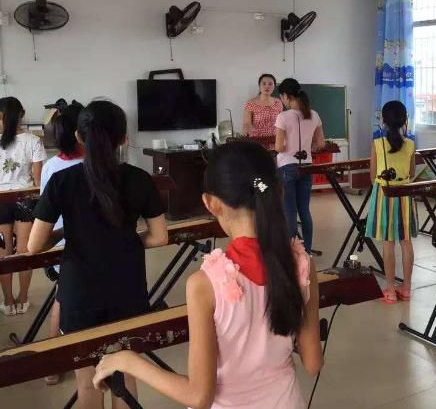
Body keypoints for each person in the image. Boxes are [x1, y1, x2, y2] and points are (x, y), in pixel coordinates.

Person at [91, 141, 322, 409]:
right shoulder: (302, 264)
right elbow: (313, 362)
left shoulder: (205, 284)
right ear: (278, 192)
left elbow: (199, 396)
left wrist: (129, 361)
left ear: (210, 203)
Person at [28, 100, 168, 409]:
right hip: (128, 289)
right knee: (126, 379)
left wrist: (69, 232)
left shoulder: (62, 180)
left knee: (88, 385)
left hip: (80, 294)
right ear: (124, 138)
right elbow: (159, 236)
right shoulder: (139, 178)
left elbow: (34, 245)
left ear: (79, 137)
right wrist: (123, 241)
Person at [40, 101, 84, 385]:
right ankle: (54, 363)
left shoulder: (50, 167)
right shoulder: (90, 165)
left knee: (63, 297)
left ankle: (53, 365)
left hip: (60, 245)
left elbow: (44, 212)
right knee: (62, 299)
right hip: (73, 249)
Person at [365, 101, 417, 304]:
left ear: (383, 121)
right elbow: (412, 173)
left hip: (384, 192)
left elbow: (372, 175)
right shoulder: (411, 144)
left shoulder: (377, 143)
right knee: (406, 241)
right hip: (405, 192)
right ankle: (407, 288)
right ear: (405, 120)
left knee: (388, 242)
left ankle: (390, 289)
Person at [0, 97, 47, 316]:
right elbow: (37, 181)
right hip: (25, 201)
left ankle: (8, 300)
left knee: (4, 254)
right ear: (22, 115)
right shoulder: (34, 141)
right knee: (24, 252)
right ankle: (23, 298)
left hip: (1, 201)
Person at [274, 78, 325, 254]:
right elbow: (321, 143)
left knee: (289, 212)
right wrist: (307, 147)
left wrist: (288, 147)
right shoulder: (314, 114)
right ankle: (307, 252)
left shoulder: (283, 117)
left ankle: (293, 254)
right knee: (304, 210)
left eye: (281, 97)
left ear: (286, 96)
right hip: (307, 166)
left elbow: (279, 147)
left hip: (287, 167)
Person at [242, 74, 284, 141]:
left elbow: (281, 122)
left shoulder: (278, 102)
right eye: (264, 84)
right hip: (256, 141)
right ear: (259, 86)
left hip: (274, 140)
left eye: (270, 84)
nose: (267, 86)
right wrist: (246, 131)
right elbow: (247, 123)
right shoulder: (251, 103)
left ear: (274, 86)